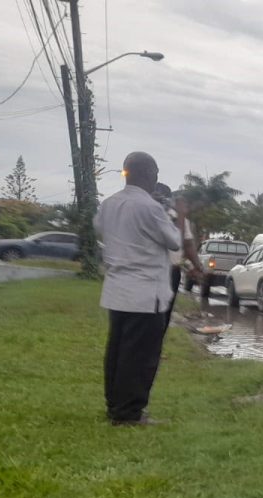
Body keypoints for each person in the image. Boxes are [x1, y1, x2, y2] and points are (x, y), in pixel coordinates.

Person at [94, 151, 183, 426]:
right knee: (140, 356)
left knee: (118, 352)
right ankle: (130, 413)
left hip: (117, 289)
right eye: (155, 173)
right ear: (149, 174)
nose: (156, 178)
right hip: (145, 293)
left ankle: (114, 406)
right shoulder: (151, 208)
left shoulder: (109, 204)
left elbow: (99, 230)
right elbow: (174, 241)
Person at [151, 183, 204, 332]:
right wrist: (181, 214)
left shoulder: (176, 217)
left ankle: (155, 349)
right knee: (150, 314)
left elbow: (187, 245)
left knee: (163, 315)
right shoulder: (148, 215)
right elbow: (175, 242)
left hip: (171, 273)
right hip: (150, 271)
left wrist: (197, 267)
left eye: (162, 197)